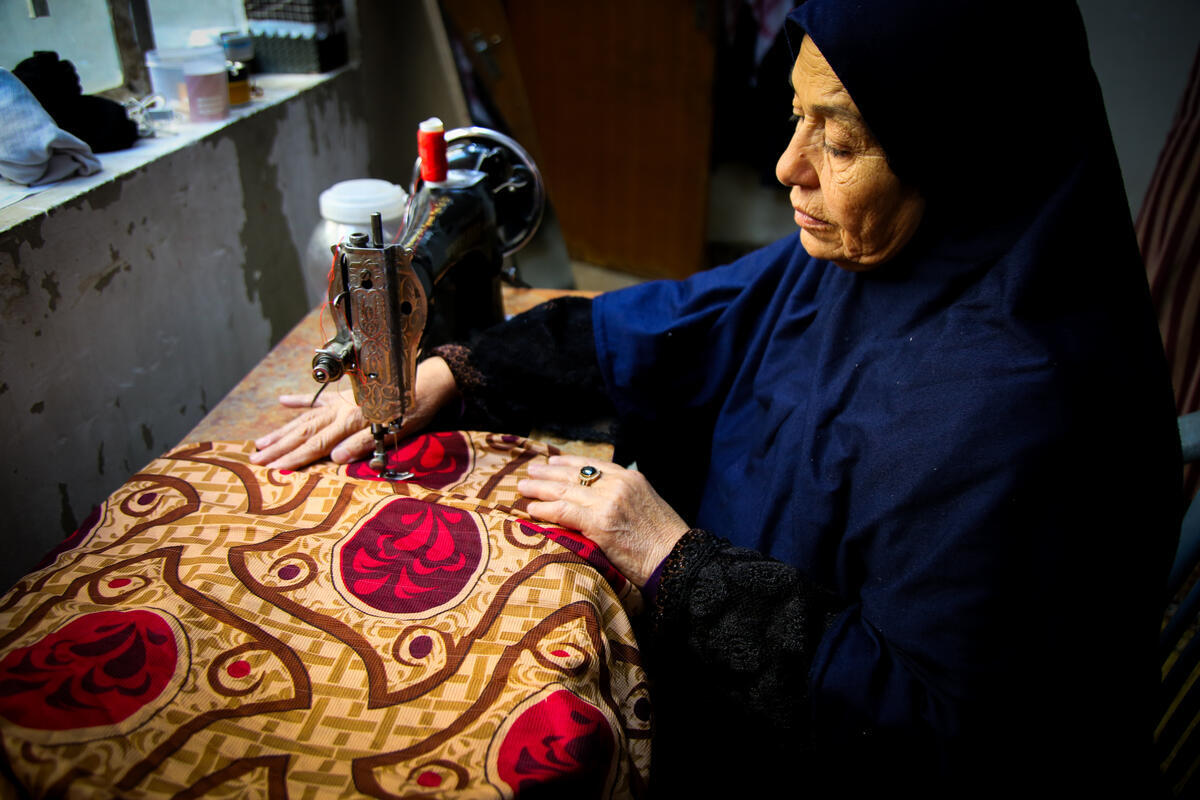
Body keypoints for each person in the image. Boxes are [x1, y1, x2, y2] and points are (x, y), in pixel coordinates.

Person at [253, 1, 1182, 794]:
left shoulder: (1032, 415)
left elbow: (929, 740)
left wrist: (674, 561)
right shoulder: (876, 261)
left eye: (843, 140)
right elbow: (674, 323)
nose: (789, 168)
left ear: (964, 149)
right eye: (795, 119)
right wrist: (455, 371)